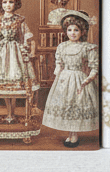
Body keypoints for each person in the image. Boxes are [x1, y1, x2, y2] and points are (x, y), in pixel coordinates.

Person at [41, 11, 99, 147]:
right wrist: (58, 74)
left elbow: (94, 67)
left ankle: (74, 134)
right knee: (66, 104)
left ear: (82, 31)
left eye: (76, 30)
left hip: (80, 79)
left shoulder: (87, 48)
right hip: (64, 79)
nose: (72, 33)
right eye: (70, 30)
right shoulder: (62, 46)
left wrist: (87, 81)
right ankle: (70, 134)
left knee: (76, 104)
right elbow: (59, 63)